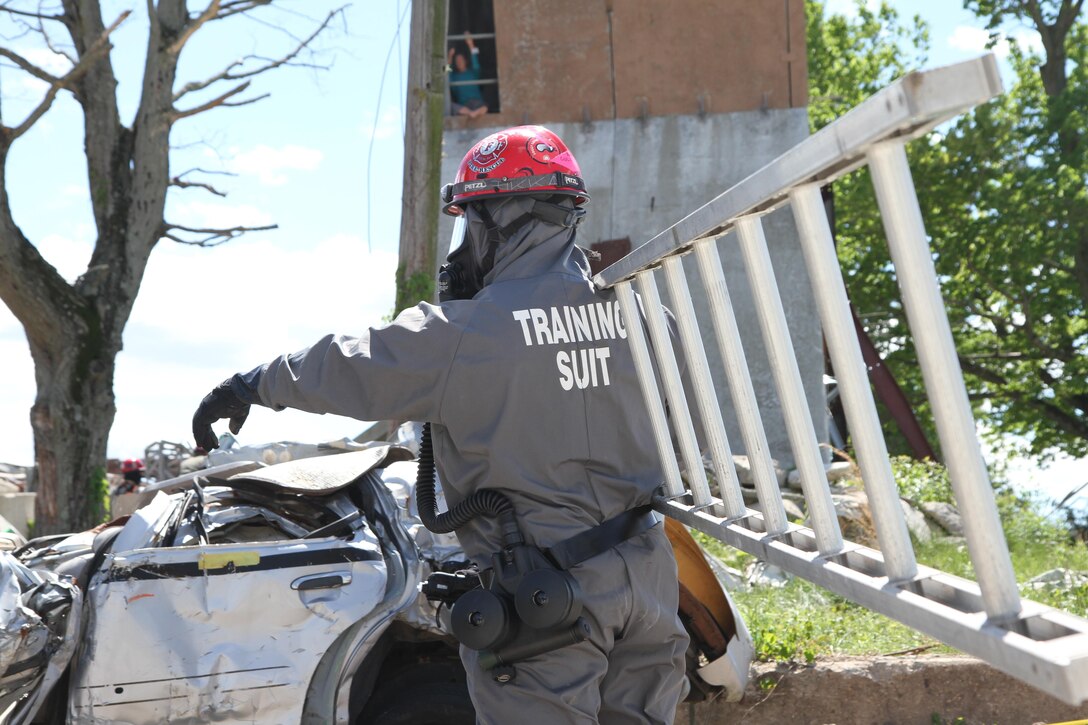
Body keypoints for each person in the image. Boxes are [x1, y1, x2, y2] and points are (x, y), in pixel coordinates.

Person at [191, 125, 688, 724]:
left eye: (471, 221)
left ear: (500, 219)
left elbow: (352, 361)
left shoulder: (465, 334)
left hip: (549, 603)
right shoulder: (644, 315)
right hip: (651, 579)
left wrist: (252, 384)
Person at [448, 32, 489, 119]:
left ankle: (473, 113)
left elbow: (475, 61)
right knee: (450, 105)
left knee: (485, 107)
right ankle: (471, 113)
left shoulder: (473, 73)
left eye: (461, 59)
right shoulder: (454, 77)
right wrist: (450, 57)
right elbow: (447, 73)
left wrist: (471, 44)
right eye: (457, 61)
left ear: (465, 61)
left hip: (477, 103)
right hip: (463, 106)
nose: (459, 62)